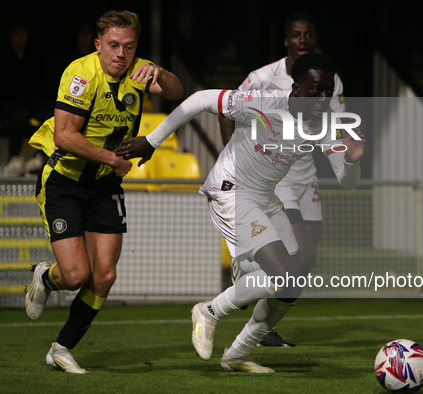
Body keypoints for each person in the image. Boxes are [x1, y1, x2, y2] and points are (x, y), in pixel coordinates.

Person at [118, 52, 365, 373]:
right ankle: (209, 311)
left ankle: (237, 354)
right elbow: (201, 99)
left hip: (265, 197)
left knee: (292, 284)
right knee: (282, 275)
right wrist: (153, 141)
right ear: (296, 87)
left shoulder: (327, 124)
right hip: (231, 189)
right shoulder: (263, 103)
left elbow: (347, 182)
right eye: (315, 89)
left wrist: (352, 161)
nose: (322, 98)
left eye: (328, 90)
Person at [24, 9, 183, 374]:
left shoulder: (140, 70)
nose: (120, 54)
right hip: (64, 181)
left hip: (104, 185)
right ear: (98, 45)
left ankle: (61, 348)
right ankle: (46, 278)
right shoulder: (81, 73)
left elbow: (177, 92)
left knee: (105, 276)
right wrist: (112, 159)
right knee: (76, 276)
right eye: (113, 45)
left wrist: (159, 72)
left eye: (128, 47)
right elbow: (65, 135)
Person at [218, 13, 346, 347]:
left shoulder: (331, 80)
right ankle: (247, 279)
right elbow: (226, 108)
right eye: (296, 35)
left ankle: (261, 319)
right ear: (286, 40)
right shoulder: (263, 77)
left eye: (308, 35)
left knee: (308, 259)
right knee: (296, 256)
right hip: (279, 176)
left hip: (308, 175)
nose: (302, 40)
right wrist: (232, 153)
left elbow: (332, 121)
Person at [0, 22, 54, 176]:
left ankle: (40, 156)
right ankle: (13, 157)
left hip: (32, 103)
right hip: (8, 104)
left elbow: (42, 83)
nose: (20, 38)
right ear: (10, 36)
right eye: (16, 34)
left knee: (53, 115)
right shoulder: (0, 56)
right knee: (19, 114)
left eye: (23, 33)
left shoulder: (34, 55)